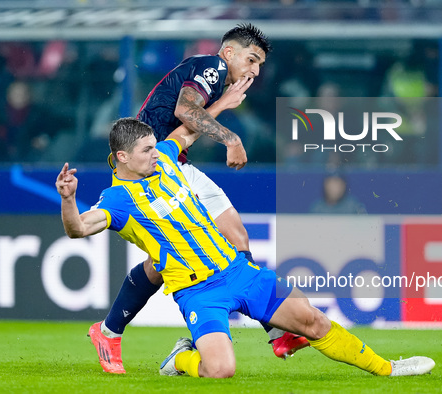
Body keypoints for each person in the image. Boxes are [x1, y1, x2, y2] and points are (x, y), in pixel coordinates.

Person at [56, 117, 436, 378]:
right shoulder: (117, 200)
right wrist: (69, 200)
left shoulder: (167, 160)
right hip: (199, 292)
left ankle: (388, 368)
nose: (156, 154)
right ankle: (180, 360)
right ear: (122, 157)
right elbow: (77, 230)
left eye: (155, 147)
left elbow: (188, 129)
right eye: (146, 151)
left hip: (240, 272)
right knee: (221, 370)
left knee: (314, 322)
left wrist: (225, 111)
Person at [86, 23, 307, 374]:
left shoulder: (216, 78)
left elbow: (186, 117)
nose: (254, 70)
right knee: (169, 262)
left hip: (174, 164)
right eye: (251, 60)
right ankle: (115, 332)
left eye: (260, 65)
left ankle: (275, 330)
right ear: (229, 52)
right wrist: (231, 138)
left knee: (227, 239)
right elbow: (186, 112)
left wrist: (221, 104)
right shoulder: (213, 67)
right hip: (155, 172)